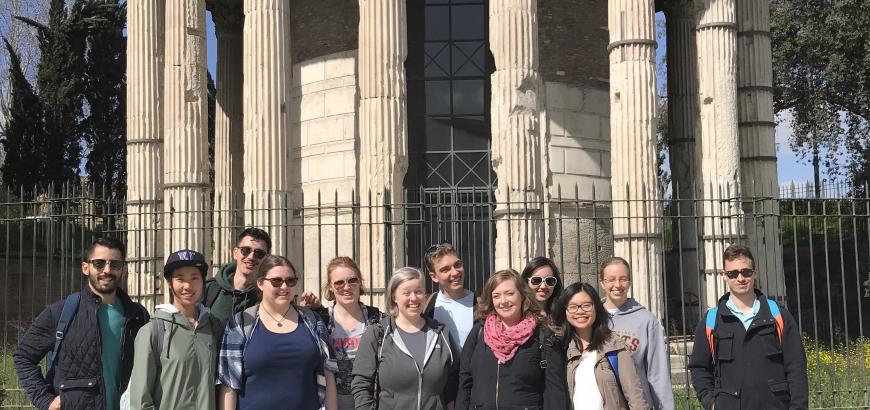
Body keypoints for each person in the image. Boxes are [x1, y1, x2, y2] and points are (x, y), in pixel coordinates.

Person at [14, 237, 149, 410]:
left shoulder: (138, 316)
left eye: (114, 264)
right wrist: (45, 400)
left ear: (123, 269)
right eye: (99, 264)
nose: (107, 270)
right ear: (86, 268)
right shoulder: (60, 312)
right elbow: (23, 357)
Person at [688, 244, 808, 410]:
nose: (740, 278)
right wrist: (711, 403)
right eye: (733, 273)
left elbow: (796, 368)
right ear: (724, 276)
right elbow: (699, 367)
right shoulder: (711, 321)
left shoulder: (778, 316)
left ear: (755, 273)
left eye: (746, 271)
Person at [217, 254, 337, 410]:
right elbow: (229, 385)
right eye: (276, 281)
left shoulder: (313, 321)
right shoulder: (240, 324)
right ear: (260, 283)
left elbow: (329, 376)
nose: (284, 287)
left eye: (290, 281)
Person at [456, 269, 567, 410]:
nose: (503, 301)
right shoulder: (479, 332)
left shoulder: (543, 335)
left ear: (522, 296)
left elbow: (554, 391)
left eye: (510, 294)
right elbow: (465, 380)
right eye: (496, 296)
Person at [128, 249, 224, 410]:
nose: (188, 286)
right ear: (170, 282)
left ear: (203, 281)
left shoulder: (214, 328)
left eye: (195, 278)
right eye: (180, 279)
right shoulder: (153, 331)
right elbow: (140, 399)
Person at [351, 267, 458, 410]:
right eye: (406, 293)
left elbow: (452, 384)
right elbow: (361, 384)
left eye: (418, 291)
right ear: (394, 296)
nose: (413, 298)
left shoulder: (441, 334)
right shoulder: (378, 333)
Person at [552, 282, 650, 410]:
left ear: (596, 308)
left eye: (587, 305)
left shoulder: (615, 346)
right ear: (565, 311)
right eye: (573, 306)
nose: (580, 311)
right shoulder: (560, 348)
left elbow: (635, 397)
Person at [599, 257, 674, 409]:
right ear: (602, 283)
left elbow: (658, 374)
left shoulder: (646, 321)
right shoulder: (591, 318)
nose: (617, 285)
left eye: (623, 279)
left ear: (630, 282)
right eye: (611, 279)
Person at [311, 256, 383, 410]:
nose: (346, 287)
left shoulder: (377, 320)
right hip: (330, 403)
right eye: (339, 283)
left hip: (371, 402)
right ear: (330, 287)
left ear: (360, 282)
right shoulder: (319, 322)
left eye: (352, 280)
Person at [202, 227, 271, 324]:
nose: (251, 257)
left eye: (259, 253)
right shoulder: (209, 289)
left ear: (266, 258)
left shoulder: (268, 295)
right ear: (235, 253)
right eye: (246, 250)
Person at [422, 242, 476, 349]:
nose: (455, 272)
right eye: (445, 270)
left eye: (457, 265)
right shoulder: (426, 307)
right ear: (434, 277)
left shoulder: (481, 304)